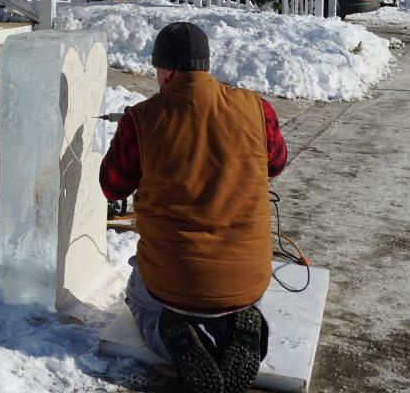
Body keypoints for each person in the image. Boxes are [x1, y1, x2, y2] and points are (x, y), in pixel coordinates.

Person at [100, 22, 288, 393]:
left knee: (137, 293)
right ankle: (246, 327)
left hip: (170, 282)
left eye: (157, 69)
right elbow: (277, 162)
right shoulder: (256, 108)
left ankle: (169, 334)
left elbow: (111, 186)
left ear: (167, 70)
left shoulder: (141, 118)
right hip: (246, 281)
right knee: (243, 295)